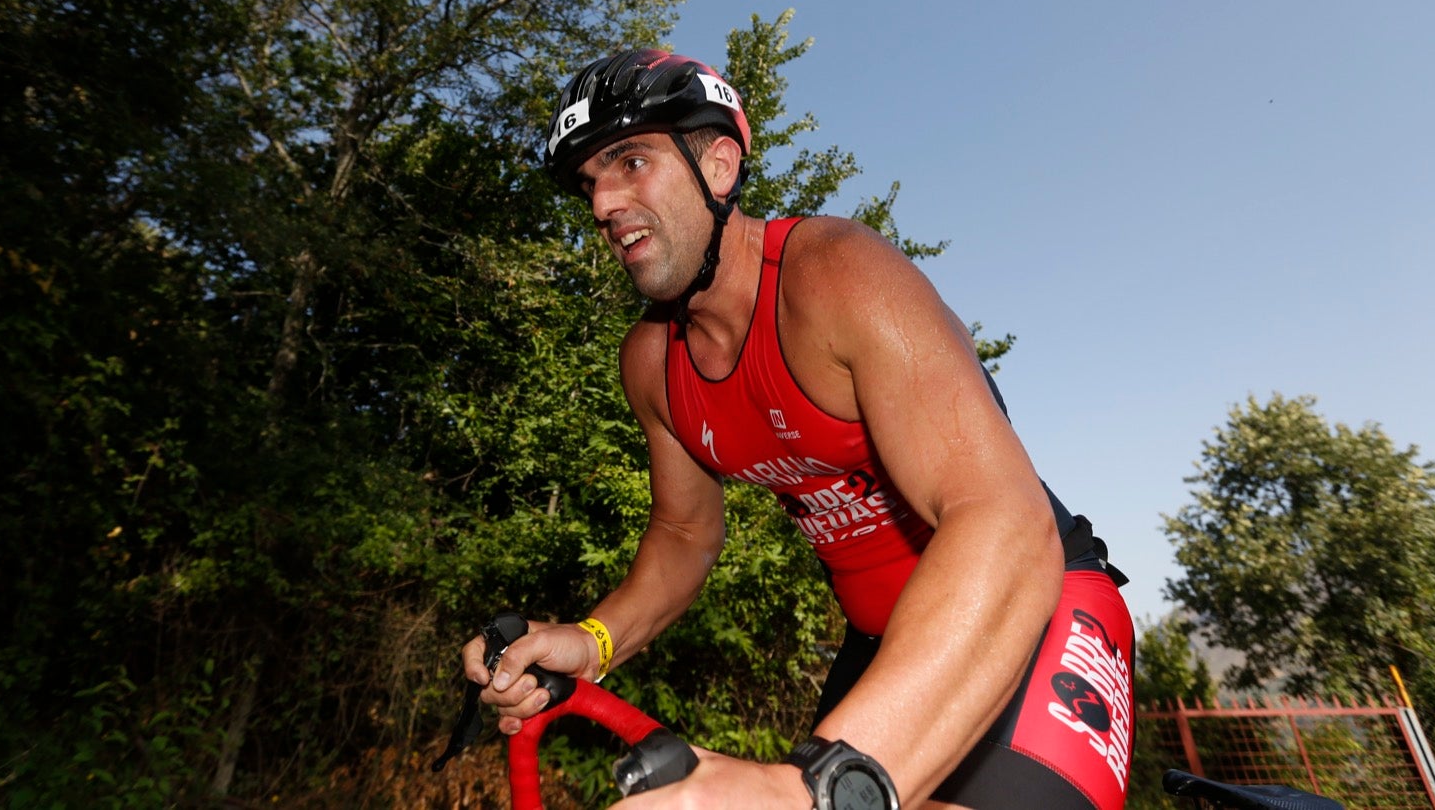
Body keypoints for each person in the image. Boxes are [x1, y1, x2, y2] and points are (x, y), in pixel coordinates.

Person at [462, 50, 1134, 809]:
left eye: (630, 161)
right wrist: (592, 642)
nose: (603, 203)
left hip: (1042, 604)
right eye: (589, 183)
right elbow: (685, 536)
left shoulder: (836, 274)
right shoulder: (652, 361)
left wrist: (804, 791)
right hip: (888, 646)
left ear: (719, 166)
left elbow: (1003, 518)